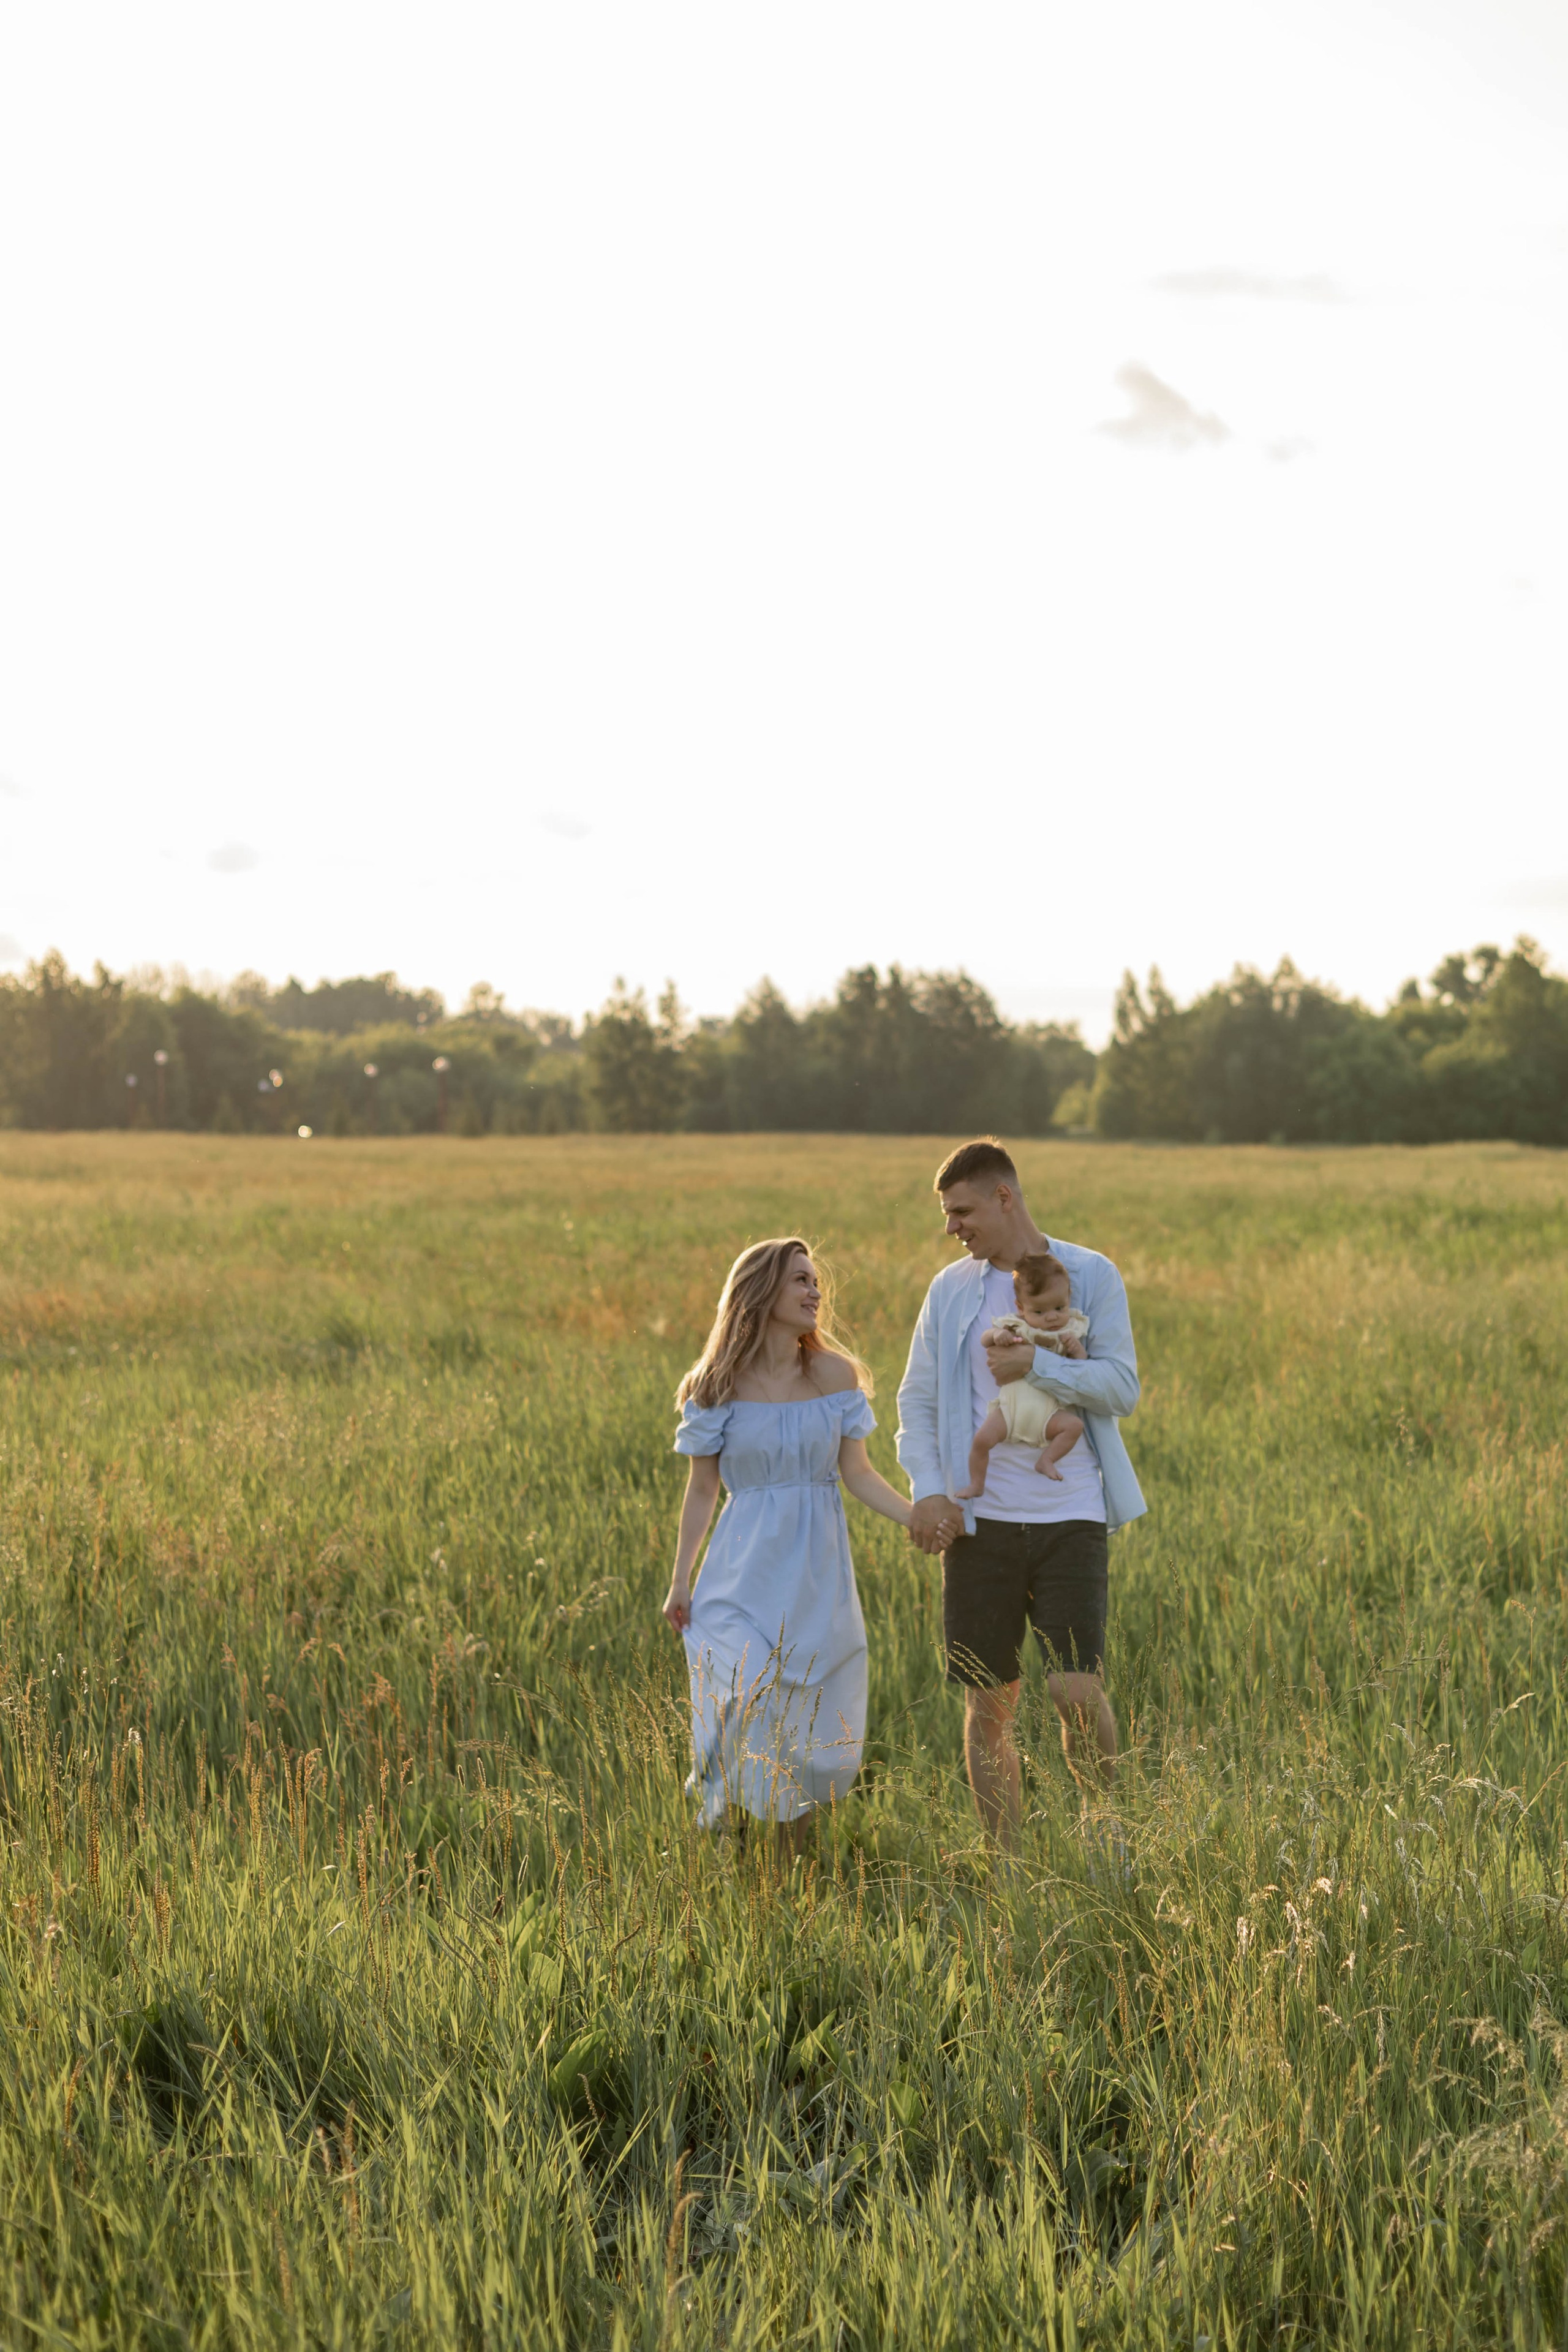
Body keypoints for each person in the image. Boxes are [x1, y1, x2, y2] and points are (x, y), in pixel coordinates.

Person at [895, 1139, 1146, 1848]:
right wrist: (930, 1491)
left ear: (1004, 1197)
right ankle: (1009, 1868)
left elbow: (1121, 1389)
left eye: (961, 1211)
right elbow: (916, 1401)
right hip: (980, 1523)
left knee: (1075, 1691)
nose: (951, 1227)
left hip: (1072, 1513)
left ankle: (1106, 1842)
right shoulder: (950, 1291)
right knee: (988, 1704)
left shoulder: (1090, 1274)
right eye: (947, 1215)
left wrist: (1037, 1364)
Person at [662, 1237, 914, 1857]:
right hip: (739, 1571)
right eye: (800, 1280)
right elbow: (702, 1489)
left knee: (807, 1713)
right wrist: (680, 1579)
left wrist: (918, 1519)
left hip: (816, 1574)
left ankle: (789, 1856)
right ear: (761, 1291)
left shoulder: (834, 1376)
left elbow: (858, 1473)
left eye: (815, 1281)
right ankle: (728, 1830)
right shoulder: (715, 1386)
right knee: (745, 1691)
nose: (815, 1292)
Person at [956, 1250, 1088, 1493]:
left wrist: (1077, 1350)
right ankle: (977, 1484)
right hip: (1010, 1410)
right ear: (1020, 1308)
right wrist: (998, 1335)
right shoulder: (1016, 1326)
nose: (1052, 1317)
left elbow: (1082, 1369)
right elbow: (985, 1339)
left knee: (1074, 1427)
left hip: (1048, 1414)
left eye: (1059, 1308)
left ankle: (1047, 1460)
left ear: (1069, 1298)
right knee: (981, 1441)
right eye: (1039, 1312)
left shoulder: (1069, 1332)